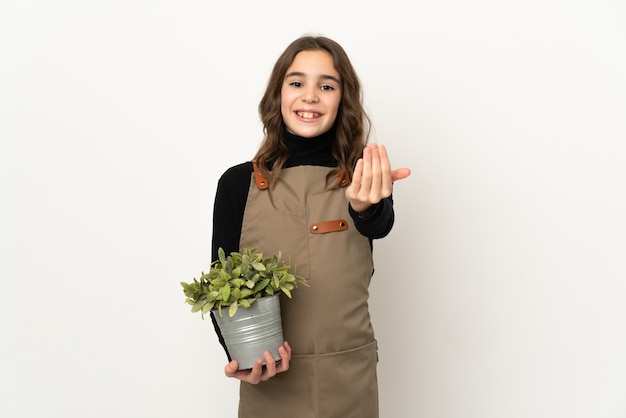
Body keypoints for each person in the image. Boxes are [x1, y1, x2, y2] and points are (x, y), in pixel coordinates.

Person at [210, 34, 410, 418]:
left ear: (343, 100)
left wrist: (365, 206)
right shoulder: (237, 184)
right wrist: (242, 357)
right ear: (278, 95)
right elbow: (220, 290)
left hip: (348, 383)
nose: (311, 96)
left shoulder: (363, 177)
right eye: (297, 82)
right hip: (271, 382)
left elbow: (379, 225)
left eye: (327, 85)